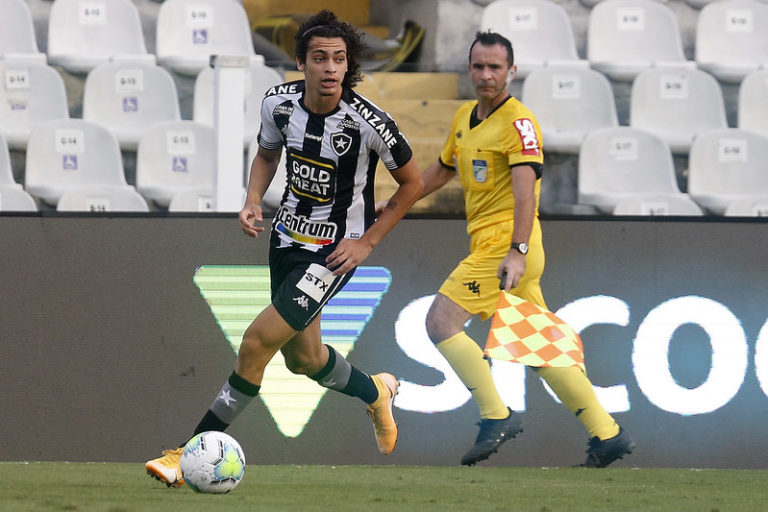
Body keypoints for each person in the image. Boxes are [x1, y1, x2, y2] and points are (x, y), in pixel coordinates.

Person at [145, 9, 423, 487]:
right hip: (286, 241)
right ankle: (376, 391)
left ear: (348, 65)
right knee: (305, 361)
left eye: (339, 59)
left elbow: (413, 183)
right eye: (320, 58)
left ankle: (185, 454)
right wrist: (253, 200)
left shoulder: (369, 122)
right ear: (301, 62)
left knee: (256, 344)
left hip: (332, 255)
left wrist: (366, 242)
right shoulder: (278, 104)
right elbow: (267, 154)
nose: (331, 68)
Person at [415, 31, 634, 467]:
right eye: (479, 66)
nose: (486, 74)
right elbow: (441, 170)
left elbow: (525, 193)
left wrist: (515, 250)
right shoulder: (464, 116)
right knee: (538, 347)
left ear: (511, 72)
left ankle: (496, 415)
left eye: (495, 67)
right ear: (469, 68)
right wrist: (395, 202)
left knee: (440, 321)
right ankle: (607, 434)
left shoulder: (519, 123)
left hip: (507, 248)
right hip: (496, 245)